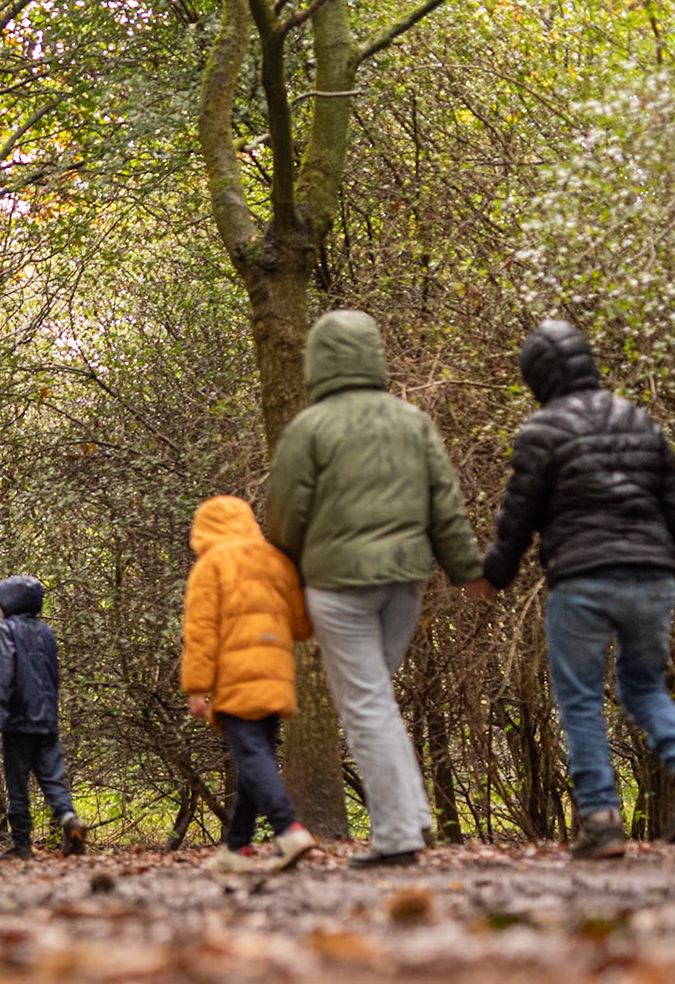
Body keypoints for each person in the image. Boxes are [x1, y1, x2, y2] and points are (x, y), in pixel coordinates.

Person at [266, 309, 488, 868]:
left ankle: (396, 835)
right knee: (377, 700)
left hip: (338, 583)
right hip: (405, 580)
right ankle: (412, 816)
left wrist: (287, 564)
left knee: (365, 705)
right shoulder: (412, 422)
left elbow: (285, 514)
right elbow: (445, 505)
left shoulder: (310, 428)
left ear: (318, 362)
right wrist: (467, 570)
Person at [476, 320, 675, 859]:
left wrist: (495, 574)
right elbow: (672, 503)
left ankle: (601, 820)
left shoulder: (542, 431)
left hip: (582, 578)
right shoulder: (638, 419)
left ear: (537, 376)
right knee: (646, 688)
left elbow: (518, 515)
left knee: (581, 699)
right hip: (653, 575)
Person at [180, 496, 321, 874]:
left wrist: (197, 688)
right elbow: (301, 625)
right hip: (276, 675)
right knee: (255, 761)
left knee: (253, 757)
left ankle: (288, 829)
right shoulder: (276, 560)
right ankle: (236, 847)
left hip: (236, 678)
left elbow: (201, 632)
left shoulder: (210, 566)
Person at [0, 574, 88, 860]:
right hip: (46, 717)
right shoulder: (45, 631)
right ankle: (69, 818)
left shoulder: (5, 629)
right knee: (52, 776)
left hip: (18, 718)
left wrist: (1, 713)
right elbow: (52, 675)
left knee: (17, 781)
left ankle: (21, 843)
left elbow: (4, 674)